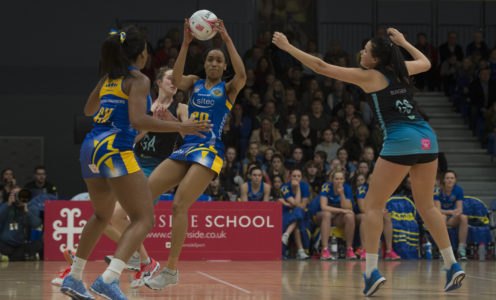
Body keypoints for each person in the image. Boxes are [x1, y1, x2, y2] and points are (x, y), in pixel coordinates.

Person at [272, 27, 465, 296]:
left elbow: (319, 66)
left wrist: (288, 47)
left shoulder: (370, 76)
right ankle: (452, 264)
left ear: (375, 59)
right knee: (427, 207)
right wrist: (405, 43)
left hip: (402, 139)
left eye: (366, 50)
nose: (361, 52)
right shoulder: (400, 70)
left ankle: (371, 271)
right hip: (427, 139)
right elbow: (427, 63)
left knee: (373, 206)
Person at [60, 26, 210, 300]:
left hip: (90, 148)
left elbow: (89, 110)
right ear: (141, 54)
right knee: (143, 218)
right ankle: (109, 278)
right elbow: (138, 120)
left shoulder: (108, 78)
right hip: (115, 149)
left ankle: (74, 277)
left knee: (102, 215)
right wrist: (183, 127)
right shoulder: (138, 80)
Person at [144, 19, 246, 290]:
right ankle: (137, 254)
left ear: (224, 67)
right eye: (210, 59)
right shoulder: (194, 83)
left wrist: (226, 39)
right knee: (145, 192)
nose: (213, 63)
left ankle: (171, 270)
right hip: (187, 147)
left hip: (209, 150)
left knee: (179, 204)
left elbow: (243, 75)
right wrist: (187, 43)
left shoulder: (227, 89)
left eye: (218, 61)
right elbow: (175, 80)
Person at [308, 169, 356, 260]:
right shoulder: (326, 186)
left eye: (341, 179)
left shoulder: (347, 188)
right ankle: (325, 249)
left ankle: (349, 249)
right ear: (332, 180)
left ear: (344, 180)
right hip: (321, 216)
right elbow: (324, 207)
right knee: (327, 214)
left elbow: (347, 207)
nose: (339, 181)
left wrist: (341, 193)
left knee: (350, 216)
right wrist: (341, 211)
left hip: (337, 218)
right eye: (336, 179)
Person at [434, 170, 468, 260]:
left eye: (452, 178)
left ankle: (461, 249)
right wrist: (451, 212)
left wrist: (457, 213)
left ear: (455, 180)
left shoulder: (458, 190)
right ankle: (443, 250)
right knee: (442, 217)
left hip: (452, 218)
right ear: (444, 180)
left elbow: (460, 209)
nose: (450, 180)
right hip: (440, 218)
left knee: (464, 217)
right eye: (447, 178)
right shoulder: (437, 190)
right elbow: (437, 210)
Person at [280, 169, 310, 260]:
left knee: (298, 212)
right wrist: (289, 205)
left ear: (301, 177)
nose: (296, 178)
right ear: (290, 177)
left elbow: (302, 205)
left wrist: (298, 188)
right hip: (287, 212)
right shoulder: (284, 187)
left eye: (298, 176)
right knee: (297, 220)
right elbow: (296, 203)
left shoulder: (304, 186)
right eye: (294, 176)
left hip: (300, 212)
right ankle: (300, 251)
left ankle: (286, 234)